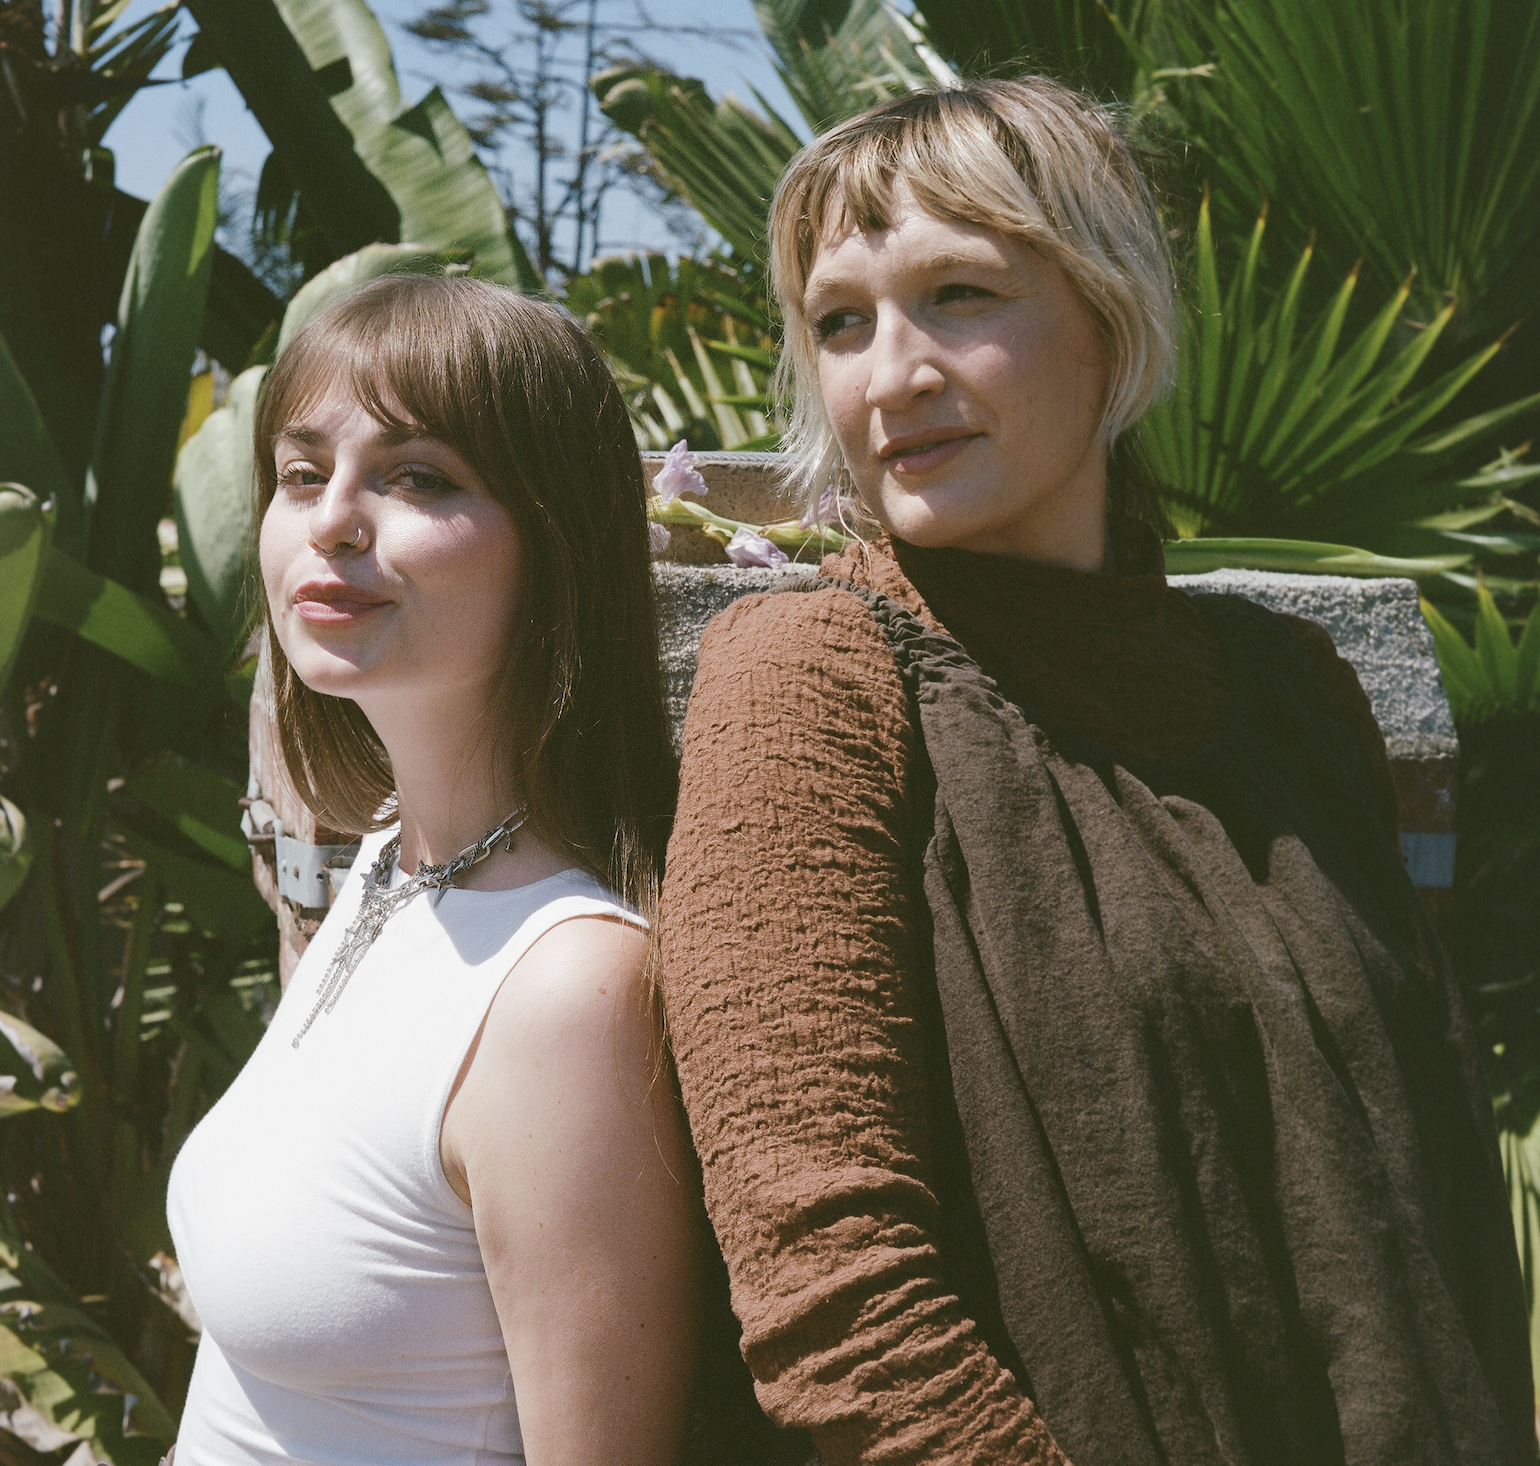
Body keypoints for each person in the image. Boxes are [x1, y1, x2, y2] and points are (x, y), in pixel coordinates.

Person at [659, 79, 1534, 1466]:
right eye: (841, 322)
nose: (890, 376)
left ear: (1110, 317)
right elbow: (826, 1280)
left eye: (957, 294)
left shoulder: (1291, 690)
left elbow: (1429, 1190)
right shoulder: (815, 674)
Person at [165, 273, 698, 1466]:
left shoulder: (566, 990)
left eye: (417, 477)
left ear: (555, 541)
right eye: (302, 473)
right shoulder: (385, 865)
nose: (332, 520)